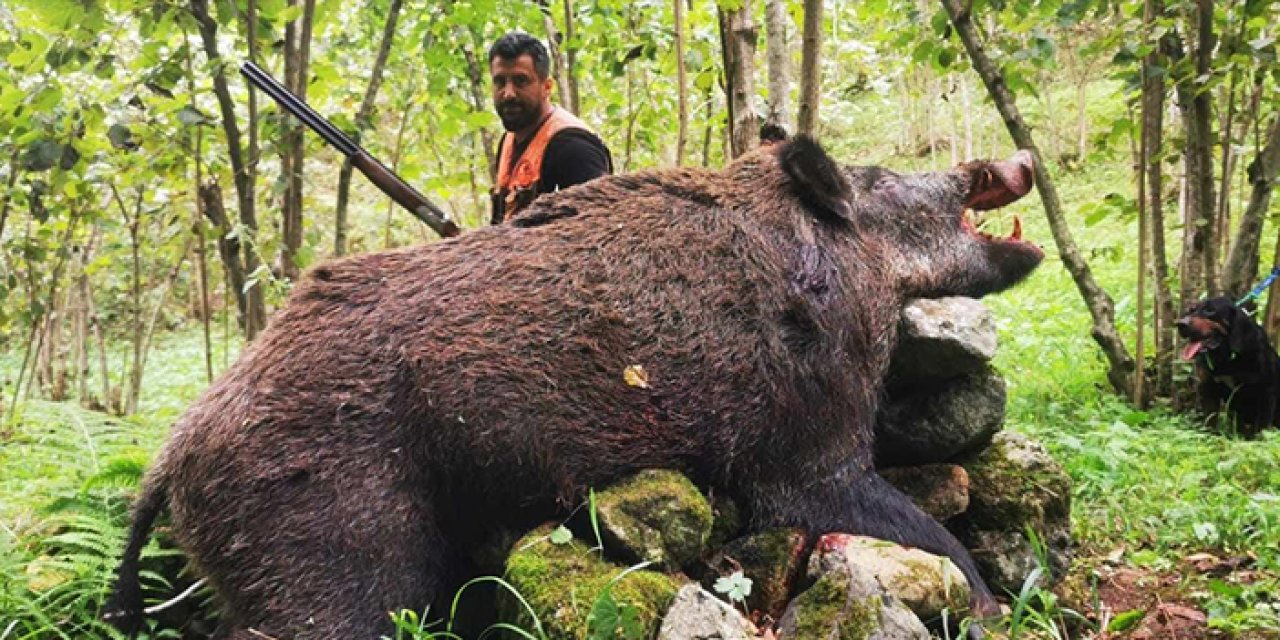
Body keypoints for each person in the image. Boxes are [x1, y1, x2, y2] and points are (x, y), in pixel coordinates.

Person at [488, 32, 612, 224]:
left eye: (521, 81)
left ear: (546, 87)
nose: (508, 93)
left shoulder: (574, 149)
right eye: (500, 82)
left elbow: (600, 231)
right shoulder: (508, 141)